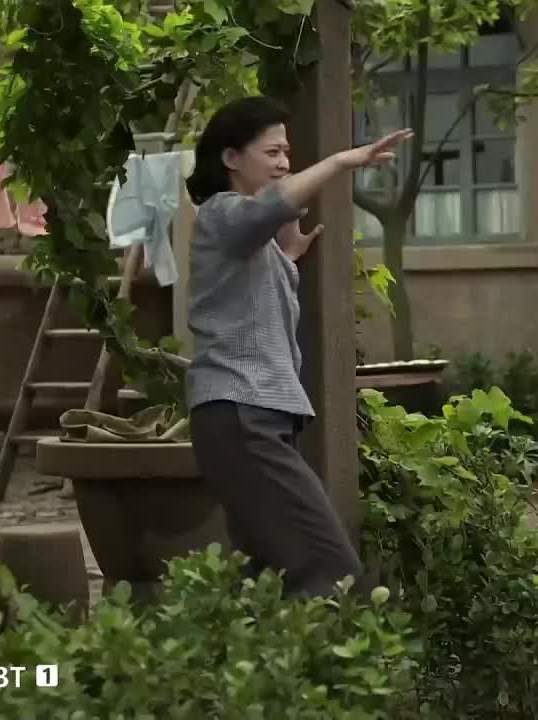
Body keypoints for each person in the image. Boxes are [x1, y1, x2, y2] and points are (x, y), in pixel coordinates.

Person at [182, 96, 412, 598]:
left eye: (287, 152)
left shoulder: (249, 239)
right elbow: (272, 207)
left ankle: (250, 649)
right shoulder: (222, 214)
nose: (284, 163)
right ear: (231, 158)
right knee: (330, 571)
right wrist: (341, 161)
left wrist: (286, 258)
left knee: (273, 576)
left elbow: (252, 308)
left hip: (250, 417)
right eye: (272, 152)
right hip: (242, 414)